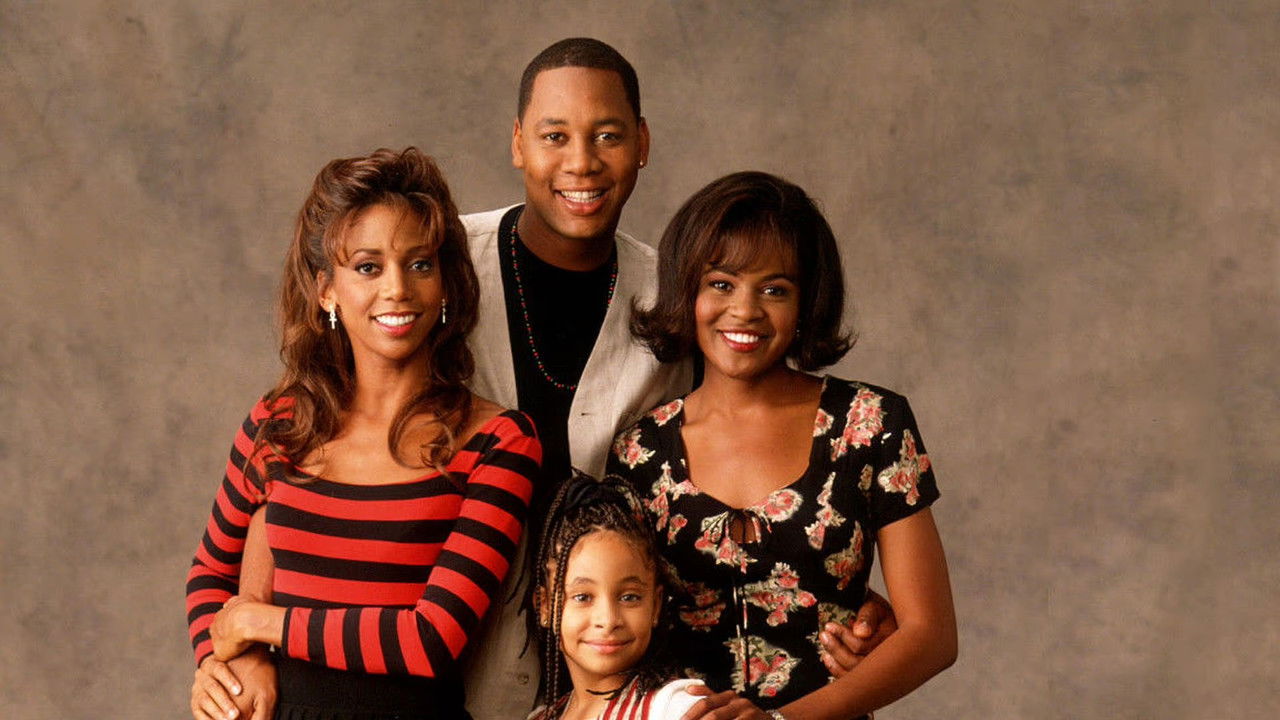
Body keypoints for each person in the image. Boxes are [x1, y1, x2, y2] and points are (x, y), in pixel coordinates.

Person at [190, 39, 894, 720]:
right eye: (555, 136)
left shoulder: (678, 298)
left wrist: (827, 582)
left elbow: (747, 438)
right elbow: (292, 491)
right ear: (518, 142)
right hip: (466, 677)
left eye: (608, 135)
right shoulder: (433, 257)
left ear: (642, 143)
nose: (581, 162)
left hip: (621, 667)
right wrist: (235, 654)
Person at [185, 147, 541, 720]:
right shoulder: (278, 424)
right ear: (326, 289)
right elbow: (209, 575)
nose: (397, 288)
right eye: (368, 267)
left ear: (446, 284)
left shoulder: (498, 442)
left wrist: (259, 623)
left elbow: (430, 640)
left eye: (419, 264)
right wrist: (226, 663)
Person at [606, 172, 957, 719]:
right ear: (685, 288)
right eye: (721, 283)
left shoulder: (869, 423)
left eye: (775, 290)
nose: (745, 310)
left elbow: (931, 635)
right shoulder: (639, 453)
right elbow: (614, 622)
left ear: (807, 302)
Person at [528, 473, 706, 720]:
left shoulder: (677, 709)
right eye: (582, 597)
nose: (608, 620)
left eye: (629, 597)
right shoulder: (541, 717)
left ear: (655, 605)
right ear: (545, 607)